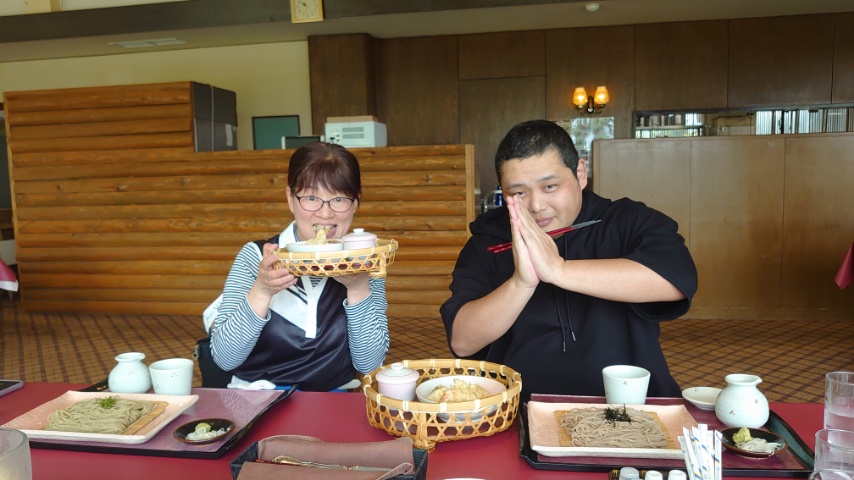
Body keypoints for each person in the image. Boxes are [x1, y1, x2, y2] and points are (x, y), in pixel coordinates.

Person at [440, 120, 697, 398]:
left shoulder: (626, 220)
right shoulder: (489, 241)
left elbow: (675, 280)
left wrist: (559, 270)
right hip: (522, 407)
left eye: (550, 186)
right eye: (519, 193)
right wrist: (520, 283)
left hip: (629, 403)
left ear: (580, 173)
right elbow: (462, 341)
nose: (536, 206)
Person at [206, 142, 389, 391]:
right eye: (311, 198)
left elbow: (370, 364)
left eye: (338, 199)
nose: (325, 214)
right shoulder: (256, 257)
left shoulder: (364, 261)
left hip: (332, 399)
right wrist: (262, 291)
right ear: (290, 199)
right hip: (257, 398)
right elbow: (225, 359)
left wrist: (358, 289)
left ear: (355, 202)